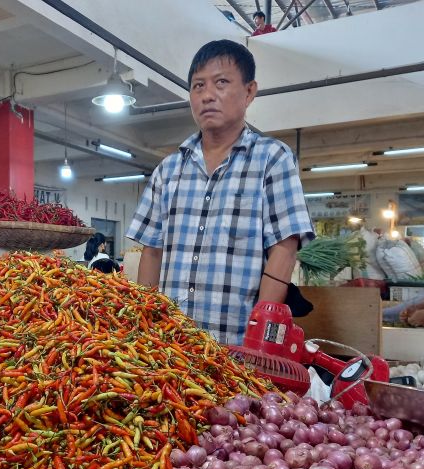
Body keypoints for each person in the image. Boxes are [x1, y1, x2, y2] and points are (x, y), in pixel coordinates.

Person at [127, 40, 314, 345]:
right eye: (198, 86)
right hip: (171, 348)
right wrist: (146, 329)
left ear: (249, 92)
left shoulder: (272, 159)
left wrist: (258, 338)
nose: (207, 95)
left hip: (236, 348)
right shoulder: (168, 170)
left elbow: (284, 248)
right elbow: (152, 251)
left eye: (221, 82)